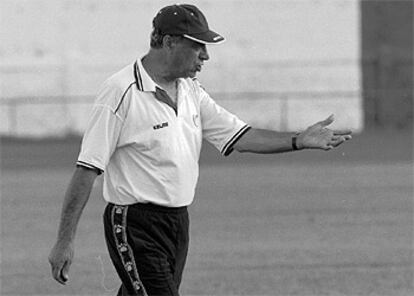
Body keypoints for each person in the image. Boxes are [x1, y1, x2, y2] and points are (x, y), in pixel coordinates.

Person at [48, 3, 352, 296]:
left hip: (177, 222)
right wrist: (65, 241)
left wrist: (298, 140)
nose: (205, 56)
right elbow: (87, 168)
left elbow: (240, 136)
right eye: (198, 46)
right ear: (169, 42)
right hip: (134, 225)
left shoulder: (191, 90)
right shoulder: (120, 92)